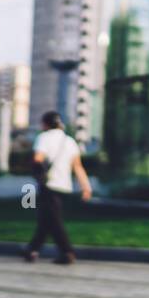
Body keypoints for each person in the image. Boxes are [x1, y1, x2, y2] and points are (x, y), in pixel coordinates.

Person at [23, 111, 92, 265]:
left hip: (49, 185)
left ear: (45, 124)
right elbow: (78, 167)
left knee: (53, 220)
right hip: (64, 185)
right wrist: (86, 187)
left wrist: (36, 175)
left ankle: (67, 252)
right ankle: (31, 249)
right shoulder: (70, 141)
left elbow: (38, 159)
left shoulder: (44, 138)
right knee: (46, 219)